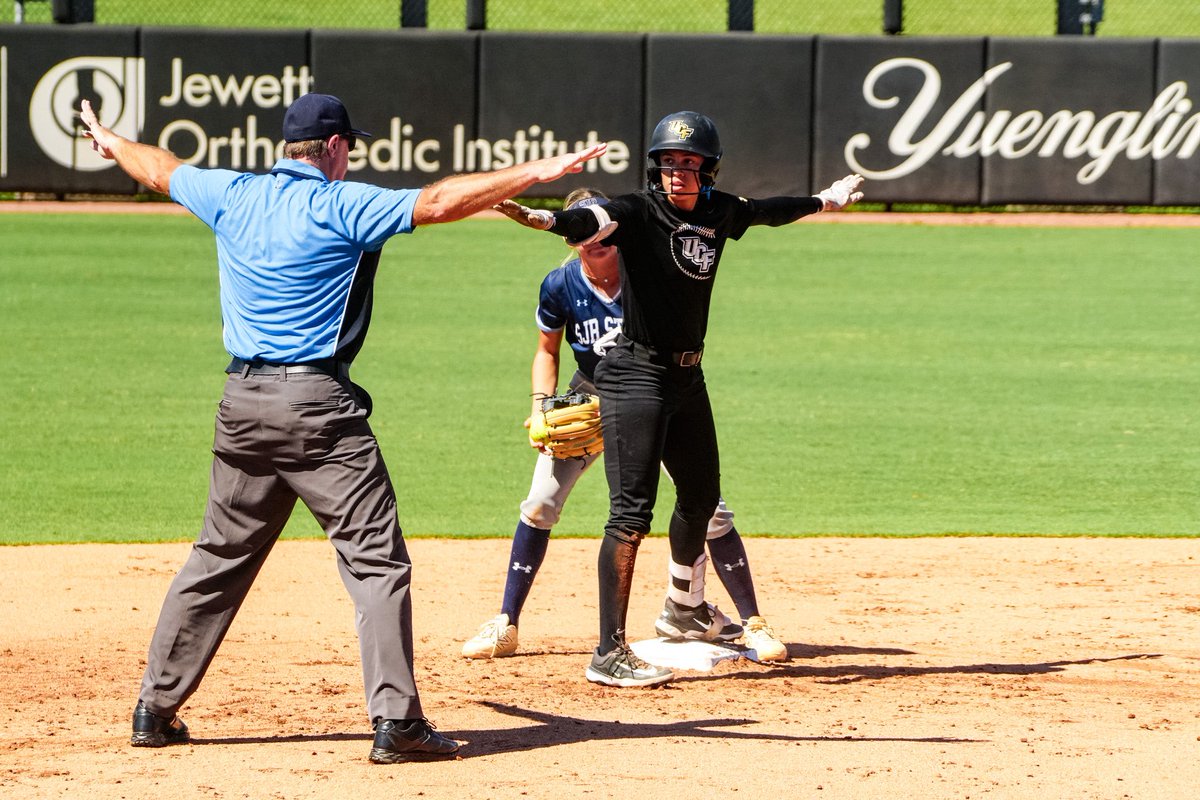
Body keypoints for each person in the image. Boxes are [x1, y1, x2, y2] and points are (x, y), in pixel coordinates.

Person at [78, 92, 606, 761]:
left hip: (241, 407)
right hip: (317, 414)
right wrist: (539, 171)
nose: (349, 155)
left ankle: (154, 708)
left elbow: (157, 168)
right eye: (347, 144)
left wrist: (111, 140)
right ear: (332, 148)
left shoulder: (232, 193)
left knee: (217, 558)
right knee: (377, 563)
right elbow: (442, 200)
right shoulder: (343, 203)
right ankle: (398, 723)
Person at [495, 111, 863, 687]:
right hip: (633, 377)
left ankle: (681, 610)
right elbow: (590, 218)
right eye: (668, 163)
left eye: (689, 164)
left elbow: (767, 211)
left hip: (688, 379)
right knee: (630, 513)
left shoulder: (719, 212)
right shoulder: (639, 212)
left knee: (701, 497)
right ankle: (608, 653)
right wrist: (545, 218)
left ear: (708, 170)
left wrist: (824, 201)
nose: (677, 173)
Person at [462, 188, 788, 665]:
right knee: (539, 503)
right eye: (588, 240)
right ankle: (506, 622)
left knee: (709, 505)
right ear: (575, 242)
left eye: (606, 239)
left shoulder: (648, 272)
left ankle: (751, 620)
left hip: (650, 392)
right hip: (590, 393)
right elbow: (546, 351)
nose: (599, 247)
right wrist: (541, 405)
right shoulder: (559, 285)